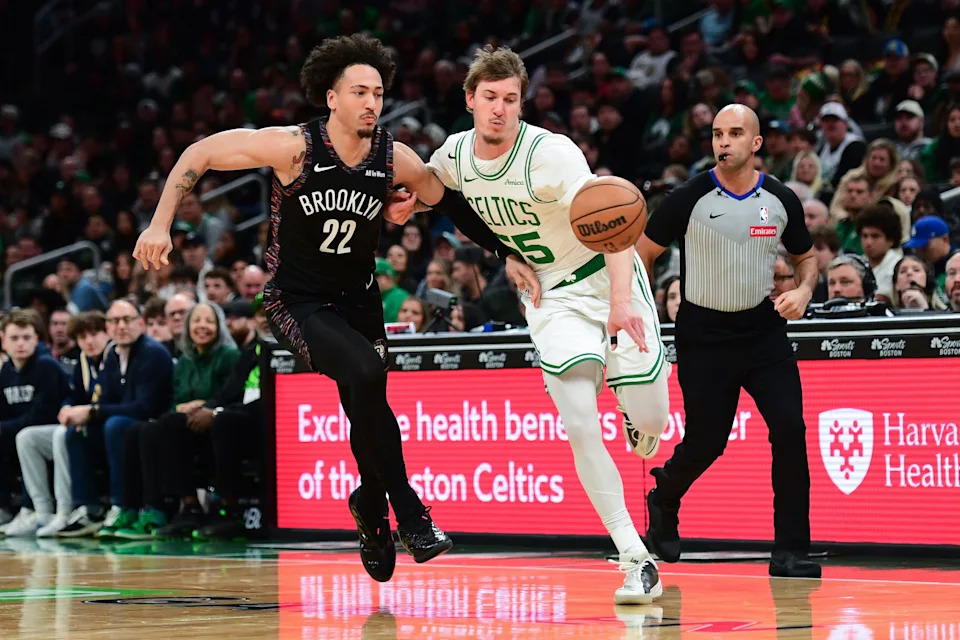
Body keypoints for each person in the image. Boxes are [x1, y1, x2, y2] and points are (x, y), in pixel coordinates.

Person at [132, 34, 540, 583]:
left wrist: (508, 252)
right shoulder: (293, 148)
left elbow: (453, 206)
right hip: (295, 301)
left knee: (367, 405)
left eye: (378, 92)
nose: (372, 102)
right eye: (360, 92)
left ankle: (371, 510)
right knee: (367, 373)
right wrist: (160, 223)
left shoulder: (394, 157)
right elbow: (199, 154)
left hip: (359, 301)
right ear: (331, 98)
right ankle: (411, 513)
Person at [402, 45, 669, 604]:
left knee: (651, 429)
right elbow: (437, 189)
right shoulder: (455, 153)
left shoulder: (552, 154)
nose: (500, 109)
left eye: (511, 99)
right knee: (577, 421)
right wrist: (409, 205)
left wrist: (621, 301)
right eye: (490, 98)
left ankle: (634, 406)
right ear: (470, 99)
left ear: (521, 103)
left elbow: (613, 225)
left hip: (605, 276)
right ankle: (633, 556)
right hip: (550, 295)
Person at [636, 104, 822, 578]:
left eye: (735, 133)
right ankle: (665, 496)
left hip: (762, 331)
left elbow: (806, 258)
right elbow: (643, 254)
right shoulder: (689, 196)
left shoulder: (780, 199)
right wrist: (644, 312)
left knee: (790, 428)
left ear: (756, 143)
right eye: (718, 133)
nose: (724, 142)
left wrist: (801, 290)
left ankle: (791, 550)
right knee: (707, 441)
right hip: (704, 332)